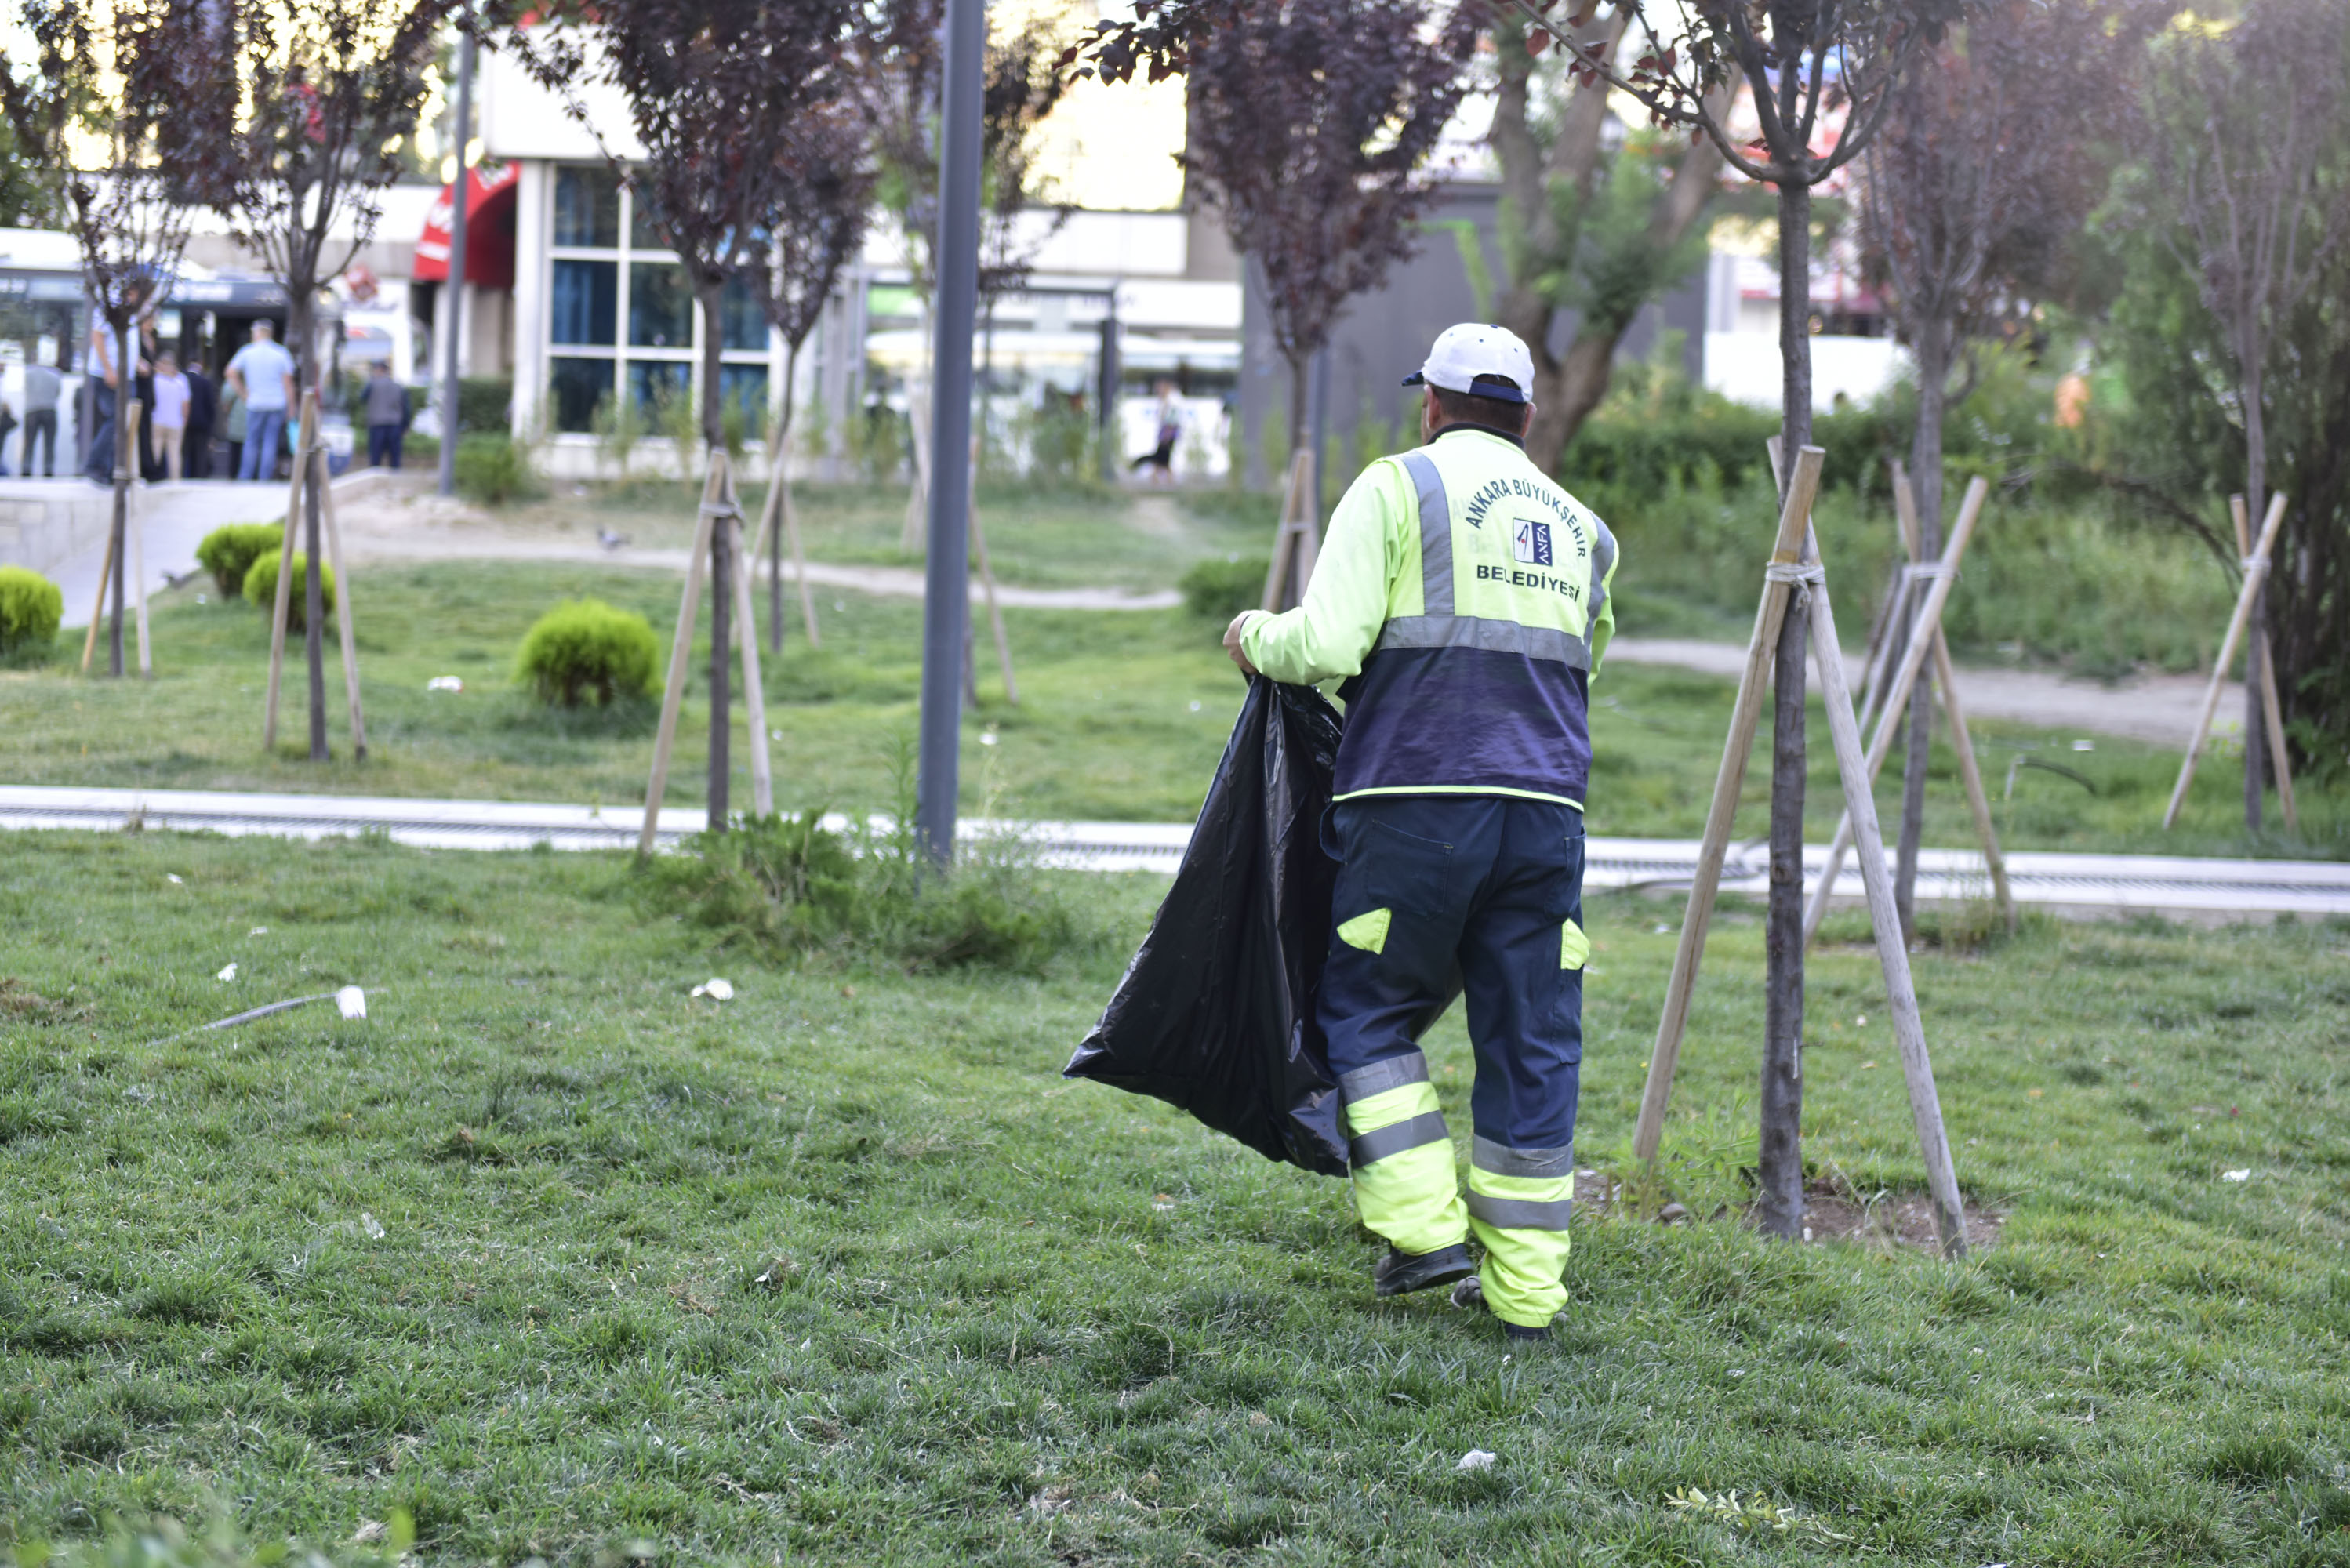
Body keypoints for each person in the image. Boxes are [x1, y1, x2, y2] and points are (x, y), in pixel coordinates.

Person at [1221, 323, 1618, 1343]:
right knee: (1533, 1041)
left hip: (1413, 806)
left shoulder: (1398, 488)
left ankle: (1420, 1225)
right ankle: (1525, 1293)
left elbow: (1326, 644)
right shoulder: (1584, 528)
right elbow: (1586, 664)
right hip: (1547, 819)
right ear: (1527, 418)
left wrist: (1250, 637)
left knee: (1363, 1008)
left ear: (1431, 403)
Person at [226, 320, 295, 481]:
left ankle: (246, 477)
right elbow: (288, 384)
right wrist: (291, 407)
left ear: (256, 333)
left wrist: (243, 394)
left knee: (251, 442)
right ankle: (264, 479)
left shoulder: (247, 352)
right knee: (270, 442)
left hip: (255, 403)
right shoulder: (281, 353)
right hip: (276, 403)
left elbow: (230, 372)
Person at [150, 351, 191, 481]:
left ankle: (153, 476)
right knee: (175, 453)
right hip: (176, 422)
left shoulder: (156, 379)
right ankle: (175, 479)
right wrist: (184, 419)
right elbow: (186, 403)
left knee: (155, 450)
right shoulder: (181, 380)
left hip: (158, 420)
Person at [1130, 379, 1180, 483]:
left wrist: (1167, 435)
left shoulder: (1171, 402)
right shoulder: (1165, 401)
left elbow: (1172, 421)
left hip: (1168, 434)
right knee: (1161, 458)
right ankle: (1158, 479)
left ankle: (1163, 479)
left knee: (1163, 458)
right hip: (1165, 433)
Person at [21, 350, 62, 477]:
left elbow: (24, 389)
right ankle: (48, 469)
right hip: (49, 409)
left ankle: (26, 468)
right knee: (49, 443)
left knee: (29, 442)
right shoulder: (55, 374)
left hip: (32, 410)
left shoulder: (27, 374)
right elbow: (57, 392)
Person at [362, 361, 409, 469]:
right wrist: (406, 425)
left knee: (375, 458)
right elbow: (406, 408)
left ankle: (375, 482)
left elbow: (362, 398)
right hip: (395, 424)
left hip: (377, 424)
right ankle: (395, 481)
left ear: (378, 370)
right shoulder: (398, 386)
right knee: (395, 458)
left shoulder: (372, 385)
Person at [183, 358, 216, 480]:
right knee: (200, 453)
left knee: (185, 451)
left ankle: (185, 475)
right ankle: (199, 476)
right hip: (202, 424)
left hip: (185, 422)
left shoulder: (182, 379)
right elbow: (210, 405)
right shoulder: (205, 382)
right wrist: (211, 425)